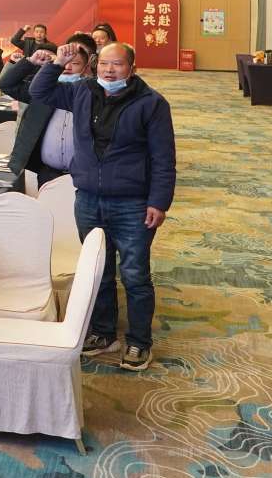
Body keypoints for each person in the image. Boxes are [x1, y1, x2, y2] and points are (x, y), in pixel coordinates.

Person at [30, 41, 176, 372]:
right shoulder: (82, 91)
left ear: (132, 68)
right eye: (104, 64)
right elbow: (40, 91)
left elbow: (163, 158)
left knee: (135, 274)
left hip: (132, 203)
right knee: (100, 270)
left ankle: (139, 341)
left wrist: (158, 201)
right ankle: (104, 332)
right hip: (88, 199)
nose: (109, 70)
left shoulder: (151, 104)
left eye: (118, 64)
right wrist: (57, 63)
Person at [0, 33, 96, 188]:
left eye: (75, 62)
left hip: (84, 174)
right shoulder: (42, 88)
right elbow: (6, 84)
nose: (67, 67)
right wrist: (30, 62)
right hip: (44, 170)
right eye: (65, 59)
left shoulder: (95, 92)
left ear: (87, 64)